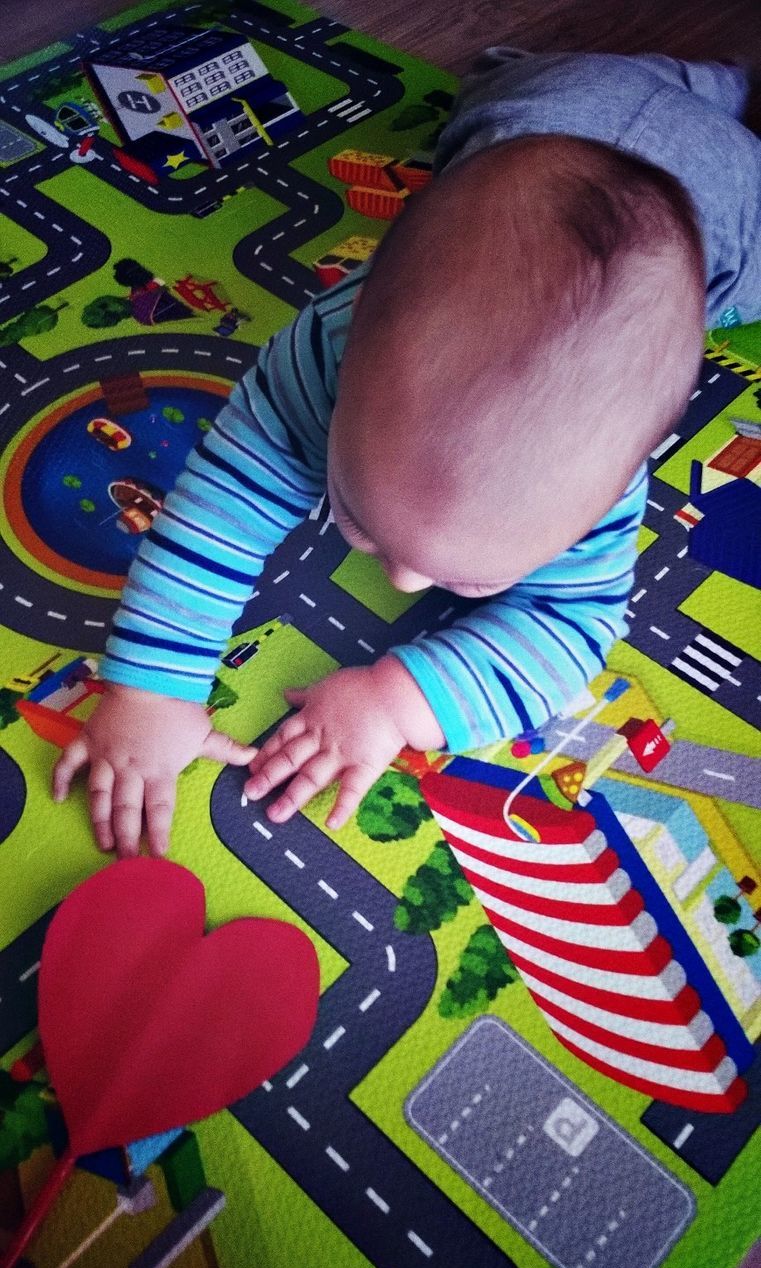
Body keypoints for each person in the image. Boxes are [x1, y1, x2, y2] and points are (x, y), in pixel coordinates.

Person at [54, 49, 760, 858]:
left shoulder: (598, 490)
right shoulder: (324, 352)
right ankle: (696, 82)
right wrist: (150, 688)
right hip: (545, 104)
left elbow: (572, 627)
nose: (403, 580)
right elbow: (222, 498)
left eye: (469, 583)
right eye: (356, 516)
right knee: (498, 106)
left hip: (728, 207)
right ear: (346, 372)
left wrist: (398, 701)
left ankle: (710, 89)